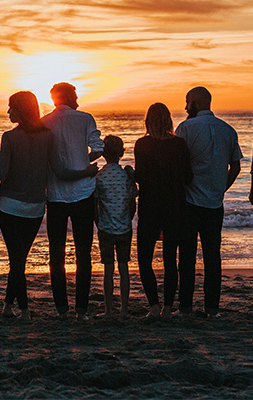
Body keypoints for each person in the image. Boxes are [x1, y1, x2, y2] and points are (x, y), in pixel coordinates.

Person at [0, 91, 97, 321]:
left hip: (9, 207)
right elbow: (60, 172)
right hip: (36, 208)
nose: (8, 112)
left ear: (21, 110)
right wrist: (85, 171)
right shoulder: (48, 136)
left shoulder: (9, 137)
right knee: (19, 259)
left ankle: (25, 311)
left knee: (17, 261)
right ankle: (8, 305)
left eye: (11, 108)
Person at [176, 87, 242, 317]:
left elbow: (177, 165)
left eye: (187, 102)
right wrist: (221, 188)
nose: (185, 107)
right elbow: (236, 167)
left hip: (189, 201)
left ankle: (185, 308)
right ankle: (212, 309)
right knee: (212, 257)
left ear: (195, 102)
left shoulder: (185, 128)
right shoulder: (228, 130)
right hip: (215, 202)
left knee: (187, 257)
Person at [41, 82, 104, 320]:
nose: (78, 99)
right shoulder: (85, 118)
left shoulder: (45, 122)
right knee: (83, 253)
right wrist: (82, 160)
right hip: (83, 193)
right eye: (75, 94)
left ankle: (61, 308)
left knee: (56, 253)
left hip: (55, 195)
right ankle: (82, 309)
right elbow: (98, 148)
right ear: (68, 96)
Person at [134, 103, 193, 319]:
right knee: (170, 260)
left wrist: (131, 174)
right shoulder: (179, 145)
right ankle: (168, 307)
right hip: (175, 207)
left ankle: (154, 306)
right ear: (168, 120)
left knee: (145, 259)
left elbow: (141, 177)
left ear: (148, 121)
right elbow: (188, 177)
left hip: (150, 208)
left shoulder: (142, 144)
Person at [95, 135, 137, 318]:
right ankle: (125, 309)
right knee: (124, 267)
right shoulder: (126, 176)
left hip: (106, 228)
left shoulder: (99, 176)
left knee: (108, 270)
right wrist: (128, 218)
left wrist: (99, 223)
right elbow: (132, 202)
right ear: (122, 153)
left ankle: (108, 310)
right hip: (124, 228)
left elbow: (95, 206)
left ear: (103, 153)